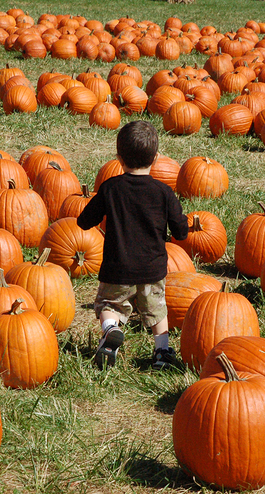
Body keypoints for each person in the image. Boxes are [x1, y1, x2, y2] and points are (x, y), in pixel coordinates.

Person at [76, 121, 188, 370]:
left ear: (119, 158)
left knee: (109, 305)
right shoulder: (164, 193)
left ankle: (110, 329)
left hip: (118, 267)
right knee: (157, 311)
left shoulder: (110, 188)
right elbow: (181, 232)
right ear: (156, 158)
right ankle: (161, 353)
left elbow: (84, 222)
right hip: (152, 269)